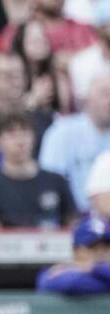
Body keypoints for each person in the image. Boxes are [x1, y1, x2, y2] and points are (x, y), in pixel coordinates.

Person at [0, 111, 76, 228]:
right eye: (11, 134)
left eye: (25, 133)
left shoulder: (56, 181)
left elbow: (71, 222)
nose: (20, 141)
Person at [39, 74, 110, 211]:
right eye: (105, 94)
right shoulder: (62, 131)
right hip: (69, 217)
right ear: (87, 98)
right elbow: (49, 179)